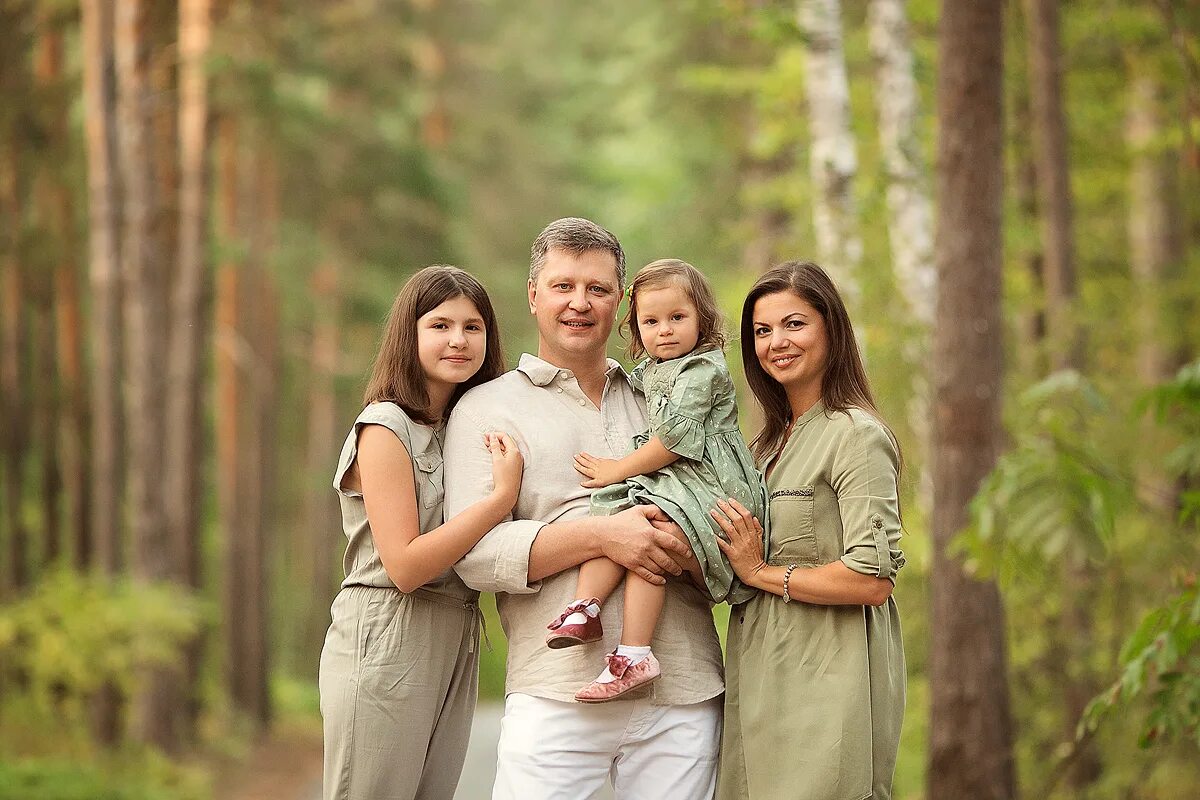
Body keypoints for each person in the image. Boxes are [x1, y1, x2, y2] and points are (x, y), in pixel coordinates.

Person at [443, 219, 725, 800]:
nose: (580, 302)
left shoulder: (672, 398)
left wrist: (687, 547)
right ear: (533, 295)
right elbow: (473, 557)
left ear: (620, 300)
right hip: (556, 693)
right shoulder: (486, 408)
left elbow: (730, 520)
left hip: (684, 689)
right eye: (563, 286)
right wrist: (605, 536)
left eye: (597, 288)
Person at [319, 265, 524, 800]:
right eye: (440, 325)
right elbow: (405, 566)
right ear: (409, 335)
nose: (458, 340)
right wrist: (499, 499)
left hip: (456, 629)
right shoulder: (386, 426)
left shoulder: (468, 430)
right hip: (388, 630)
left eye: (473, 327)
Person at [712, 261, 906, 800]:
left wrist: (761, 572)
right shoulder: (765, 447)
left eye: (794, 324)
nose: (777, 342)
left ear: (831, 329)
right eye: (762, 331)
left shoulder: (855, 436)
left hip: (827, 680)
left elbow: (871, 580)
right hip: (756, 677)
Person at [550, 258, 766, 703]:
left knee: (644, 533)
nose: (664, 330)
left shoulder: (701, 370)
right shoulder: (650, 369)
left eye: (677, 318)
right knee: (615, 517)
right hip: (677, 480)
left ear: (702, 321)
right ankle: (585, 606)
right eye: (651, 321)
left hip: (710, 484)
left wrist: (617, 466)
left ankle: (634, 653)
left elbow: (673, 440)